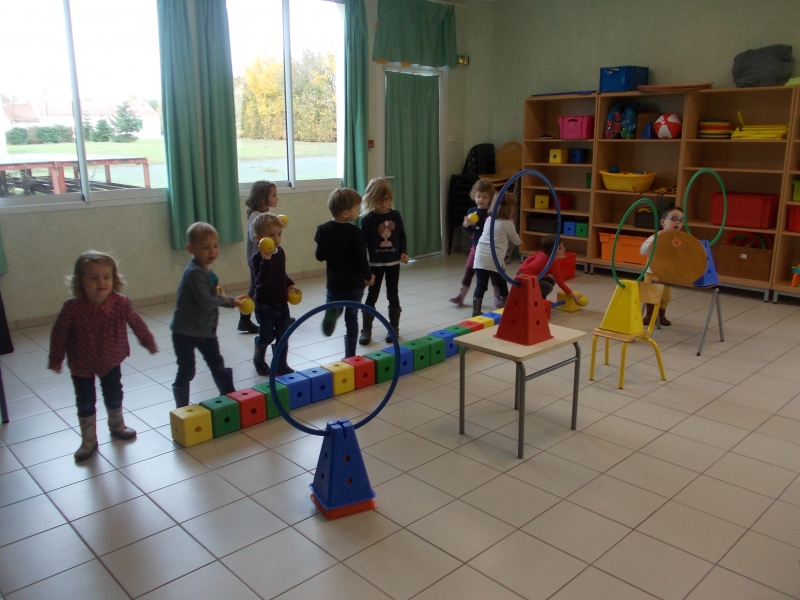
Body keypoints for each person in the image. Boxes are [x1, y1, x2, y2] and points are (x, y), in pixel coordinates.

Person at [48, 251, 157, 462]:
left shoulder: (120, 303)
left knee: (114, 394)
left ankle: (117, 426)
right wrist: (56, 358)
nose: (101, 282)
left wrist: (147, 341)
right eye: (93, 278)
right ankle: (88, 440)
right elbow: (59, 333)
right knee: (85, 401)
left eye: (106, 277)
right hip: (82, 363)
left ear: (114, 279)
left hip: (111, 359)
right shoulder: (72, 308)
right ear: (81, 281)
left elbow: (136, 323)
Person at [171, 222, 244, 408]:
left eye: (215, 246)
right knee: (187, 370)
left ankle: (230, 398)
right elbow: (206, 302)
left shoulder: (206, 272)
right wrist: (224, 299)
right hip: (185, 333)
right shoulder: (195, 273)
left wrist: (231, 301)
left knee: (217, 364)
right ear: (190, 249)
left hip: (205, 331)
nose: (212, 251)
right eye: (205, 247)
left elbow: (214, 297)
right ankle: (182, 409)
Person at [315, 188, 374, 357]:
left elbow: (319, 256)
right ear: (346, 213)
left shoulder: (323, 230)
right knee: (352, 317)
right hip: (355, 284)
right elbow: (361, 259)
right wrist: (368, 276)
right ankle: (350, 355)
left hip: (335, 282)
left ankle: (333, 312)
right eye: (356, 209)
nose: (358, 212)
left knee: (334, 305)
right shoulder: (356, 233)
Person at [359, 177, 408, 345]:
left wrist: (403, 252)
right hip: (375, 264)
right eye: (381, 200)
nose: (385, 203)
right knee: (372, 295)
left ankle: (394, 327)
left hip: (393, 263)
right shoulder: (368, 219)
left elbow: (402, 236)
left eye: (387, 199)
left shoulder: (395, 215)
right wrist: (364, 267)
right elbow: (361, 244)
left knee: (392, 293)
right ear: (371, 199)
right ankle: (366, 329)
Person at [250, 212, 300, 376]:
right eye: (271, 235)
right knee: (266, 337)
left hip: (281, 303)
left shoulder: (280, 253)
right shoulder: (256, 259)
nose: (276, 239)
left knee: (283, 336)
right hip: (265, 305)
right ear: (259, 238)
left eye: (279, 234)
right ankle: (259, 359)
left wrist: (290, 284)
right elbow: (262, 281)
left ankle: (280, 364)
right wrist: (266, 260)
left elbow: (281, 274)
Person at [450, 178, 502, 307]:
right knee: (469, 271)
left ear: (490, 198)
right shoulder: (471, 211)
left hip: (490, 248)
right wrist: (466, 224)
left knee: (493, 273)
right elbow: (466, 229)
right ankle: (460, 296)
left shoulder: (492, 212)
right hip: (476, 247)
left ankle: (498, 297)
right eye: (478, 196)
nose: (481, 199)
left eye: (484, 197)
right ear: (474, 196)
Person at [472, 191, 521, 316]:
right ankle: (508, 309)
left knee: (481, 285)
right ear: (510, 208)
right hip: (495, 260)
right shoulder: (508, 224)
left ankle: (476, 311)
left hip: (480, 258)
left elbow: (496, 230)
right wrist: (519, 236)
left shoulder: (489, 219)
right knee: (501, 284)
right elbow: (516, 241)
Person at [240, 181, 279, 333]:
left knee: (271, 286)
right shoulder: (255, 216)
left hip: (265, 258)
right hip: (256, 260)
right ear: (262, 198)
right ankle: (244, 320)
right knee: (255, 289)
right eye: (273, 195)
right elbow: (253, 235)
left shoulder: (264, 215)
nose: (277, 198)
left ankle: (279, 314)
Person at [639, 206, 683, 326]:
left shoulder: (679, 240)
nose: (678, 222)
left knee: (666, 295)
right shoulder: (655, 237)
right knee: (650, 294)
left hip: (668, 274)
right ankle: (649, 315)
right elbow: (642, 251)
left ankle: (661, 316)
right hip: (652, 271)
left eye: (680, 220)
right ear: (663, 222)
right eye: (674, 219)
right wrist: (651, 245)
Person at [518, 235, 582, 304]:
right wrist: (573, 296)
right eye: (560, 248)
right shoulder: (551, 263)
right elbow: (560, 282)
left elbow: (530, 258)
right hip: (527, 279)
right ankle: (540, 301)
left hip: (525, 275)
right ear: (551, 251)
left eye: (563, 246)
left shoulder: (543, 254)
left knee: (551, 281)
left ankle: (538, 296)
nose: (564, 249)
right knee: (548, 287)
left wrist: (520, 269)